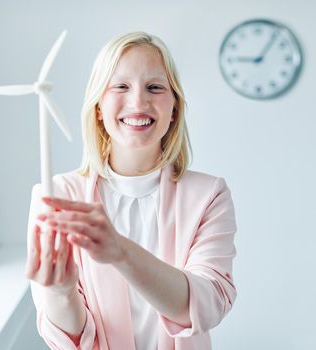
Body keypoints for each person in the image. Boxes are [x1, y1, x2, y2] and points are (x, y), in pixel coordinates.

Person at [25, 31, 237, 350]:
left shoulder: (209, 195)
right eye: (120, 86)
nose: (138, 101)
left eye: (155, 87)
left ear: (175, 109)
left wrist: (120, 251)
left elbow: (205, 306)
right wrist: (61, 292)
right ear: (98, 106)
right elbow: (67, 338)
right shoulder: (58, 195)